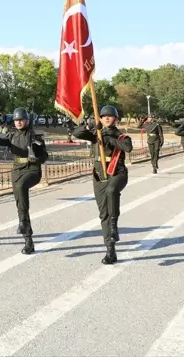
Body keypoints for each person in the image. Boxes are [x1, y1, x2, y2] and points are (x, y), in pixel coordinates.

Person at [72, 105, 132, 265]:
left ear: (116, 119)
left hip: (117, 173)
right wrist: (91, 126)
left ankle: (114, 227)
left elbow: (128, 147)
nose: (106, 118)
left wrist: (110, 138)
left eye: (110, 116)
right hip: (99, 176)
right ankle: (110, 250)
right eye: (103, 116)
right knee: (103, 214)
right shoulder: (96, 133)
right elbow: (76, 133)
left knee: (112, 191)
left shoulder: (121, 135)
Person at [0, 106, 48, 254]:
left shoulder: (34, 136)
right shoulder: (12, 135)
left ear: (26, 120)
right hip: (17, 169)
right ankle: (28, 239)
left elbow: (45, 156)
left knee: (21, 187)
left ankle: (23, 224)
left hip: (32, 170)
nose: (19, 122)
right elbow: (0, 142)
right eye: (16, 120)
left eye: (21, 120)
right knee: (19, 201)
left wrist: (36, 158)